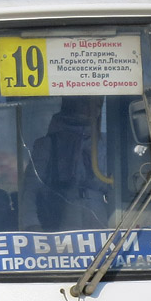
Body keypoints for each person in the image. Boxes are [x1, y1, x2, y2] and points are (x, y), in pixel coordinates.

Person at [19, 98, 111, 231]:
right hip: (60, 211)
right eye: (85, 103)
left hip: (99, 210)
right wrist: (31, 223)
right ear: (71, 104)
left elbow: (115, 185)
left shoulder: (105, 143)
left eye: (97, 105)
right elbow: (31, 188)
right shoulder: (48, 144)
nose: (92, 110)